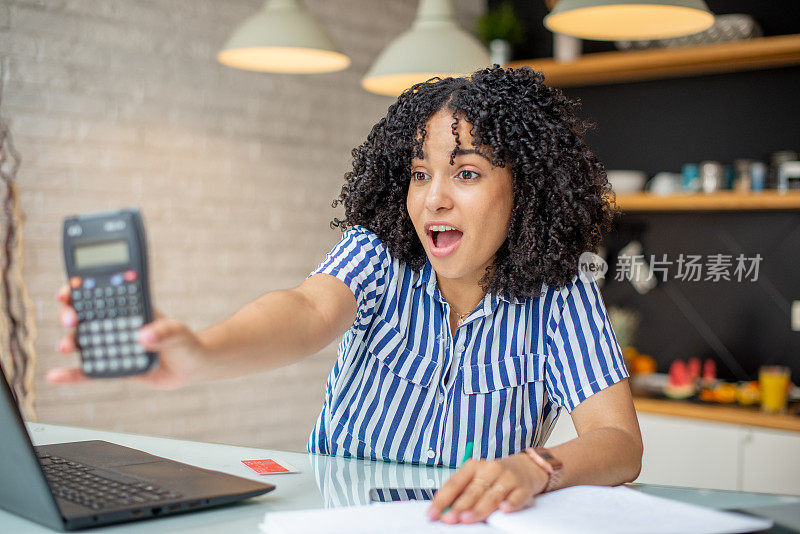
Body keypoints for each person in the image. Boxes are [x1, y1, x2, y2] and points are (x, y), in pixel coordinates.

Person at [51, 66, 642, 525]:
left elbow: (617, 443)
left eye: (466, 173)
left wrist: (537, 469)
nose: (433, 199)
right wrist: (201, 351)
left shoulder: (561, 296)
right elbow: (307, 310)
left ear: (527, 190)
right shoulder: (381, 251)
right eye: (418, 173)